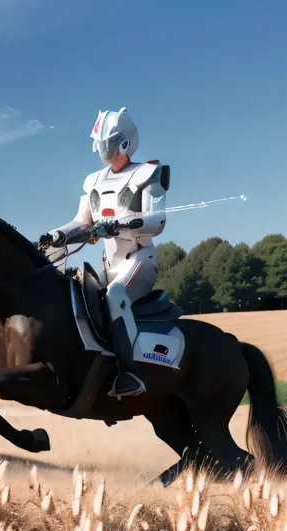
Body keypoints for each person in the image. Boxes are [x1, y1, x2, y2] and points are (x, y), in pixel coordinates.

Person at [40, 107, 170, 398]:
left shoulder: (147, 173)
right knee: (73, 295)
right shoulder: (93, 181)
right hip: (108, 264)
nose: (101, 148)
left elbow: (157, 221)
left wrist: (116, 225)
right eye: (99, 142)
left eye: (105, 141)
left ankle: (130, 374)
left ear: (122, 142)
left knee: (115, 296)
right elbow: (82, 222)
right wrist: (57, 235)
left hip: (139, 260)